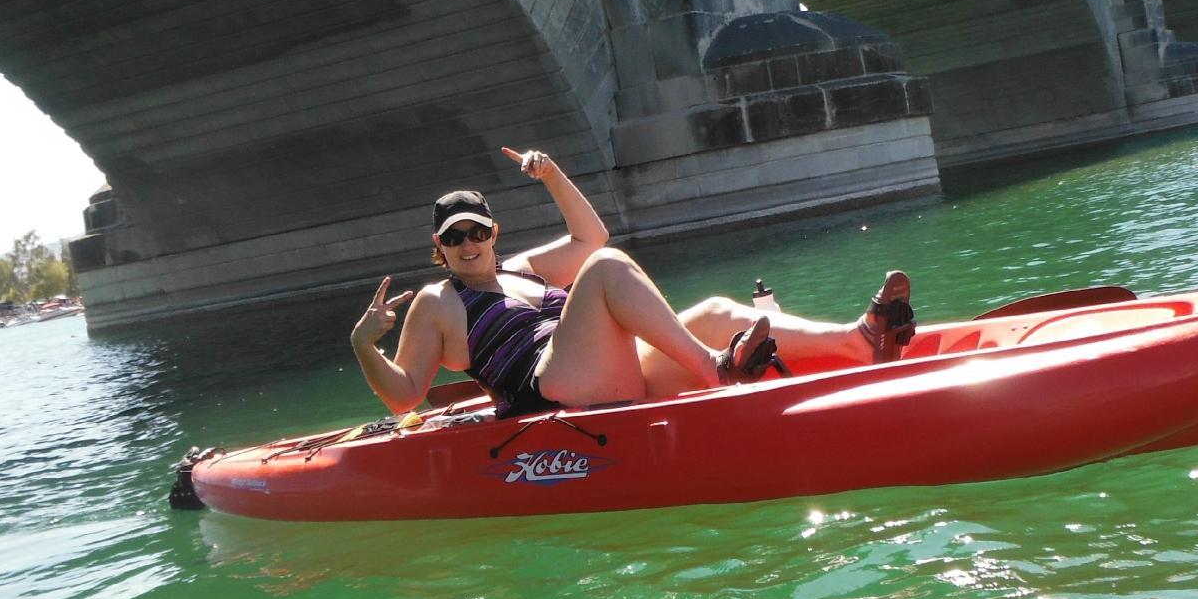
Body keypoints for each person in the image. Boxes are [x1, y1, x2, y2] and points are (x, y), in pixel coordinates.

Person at [351, 146, 914, 417]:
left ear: (493, 232)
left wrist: (551, 175)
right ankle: (716, 371)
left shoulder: (523, 267)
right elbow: (405, 396)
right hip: (551, 391)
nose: (468, 244)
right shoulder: (438, 302)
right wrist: (363, 344)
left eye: (476, 231)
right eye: (454, 238)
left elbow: (589, 235)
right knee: (605, 269)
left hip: (605, 372)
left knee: (715, 310)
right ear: (439, 248)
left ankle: (860, 342)